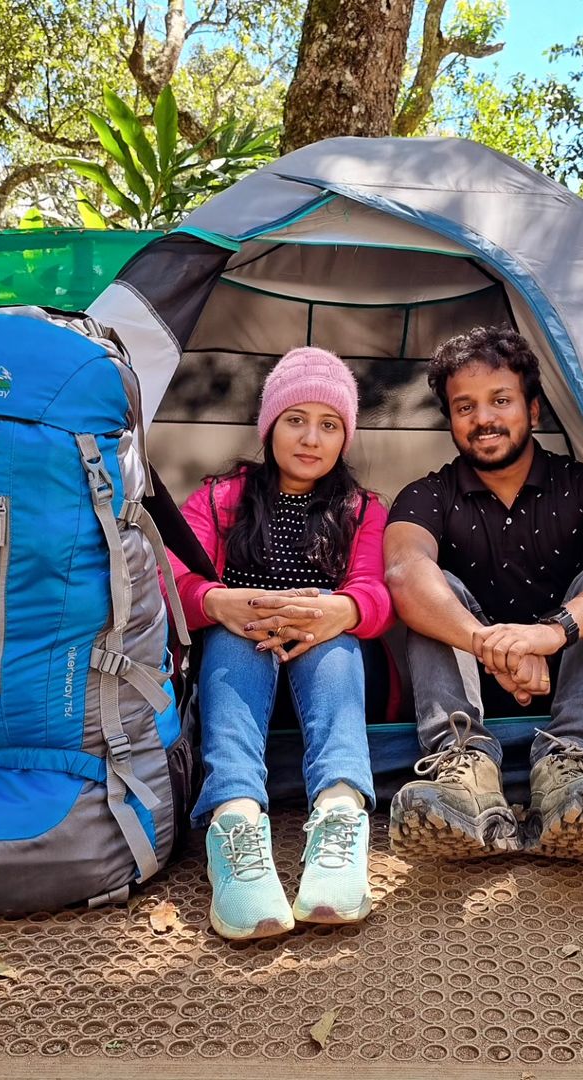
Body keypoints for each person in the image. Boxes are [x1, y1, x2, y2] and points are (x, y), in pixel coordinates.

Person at [384, 326, 583, 862]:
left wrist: (551, 635)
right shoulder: (425, 494)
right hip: (469, 693)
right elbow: (403, 573)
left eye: (500, 400)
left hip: (572, 683)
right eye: (465, 406)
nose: (483, 418)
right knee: (439, 591)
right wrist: (495, 646)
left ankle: (571, 766)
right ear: (452, 421)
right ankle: (463, 773)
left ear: (532, 411)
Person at [166, 347, 392, 940]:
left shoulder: (361, 509)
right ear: (269, 426)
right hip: (241, 661)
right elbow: (171, 579)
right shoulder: (221, 499)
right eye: (296, 420)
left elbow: (376, 593)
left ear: (346, 436)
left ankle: (341, 816)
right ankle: (235, 821)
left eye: (329, 424)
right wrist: (217, 601)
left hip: (325, 664)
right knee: (231, 643)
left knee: (336, 640)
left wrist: (339, 609)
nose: (310, 438)